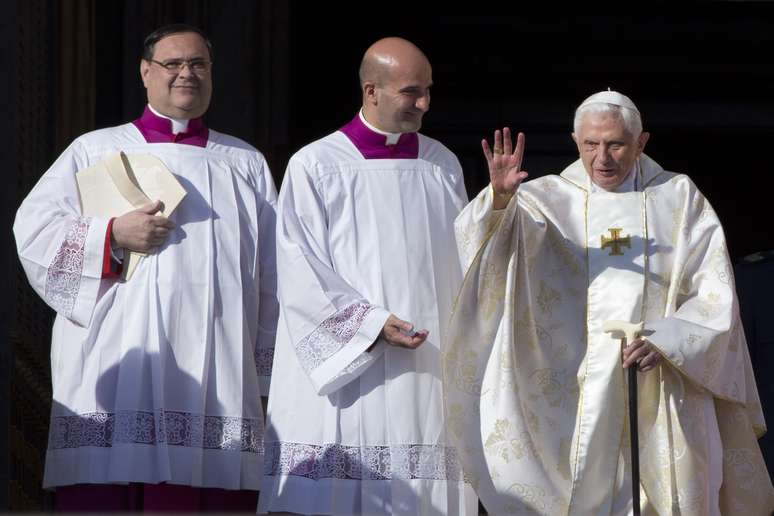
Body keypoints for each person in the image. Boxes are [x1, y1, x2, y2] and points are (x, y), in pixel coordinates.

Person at [443, 90, 774, 515]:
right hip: (573, 383)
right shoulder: (545, 198)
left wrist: (667, 340)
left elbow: (713, 290)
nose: (603, 158)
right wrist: (501, 201)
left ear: (642, 142)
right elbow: (486, 258)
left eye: (616, 144)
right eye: (590, 145)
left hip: (663, 380)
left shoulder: (678, 197)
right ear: (575, 141)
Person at [13, 24, 278, 512]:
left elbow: (273, 280)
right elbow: (33, 234)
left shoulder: (245, 163)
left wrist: (266, 381)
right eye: (173, 64)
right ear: (145, 71)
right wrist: (112, 235)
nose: (187, 74)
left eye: (198, 64)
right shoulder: (95, 150)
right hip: (117, 359)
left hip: (218, 369)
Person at [258, 37, 477, 515]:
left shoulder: (441, 163)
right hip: (349, 367)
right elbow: (298, 268)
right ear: (371, 91)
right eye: (411, 92)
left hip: (426, 366)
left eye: (428, 91)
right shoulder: (316, 164)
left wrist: (498, 208)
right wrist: (369, 324)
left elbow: (465, 259)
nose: (424, 103)